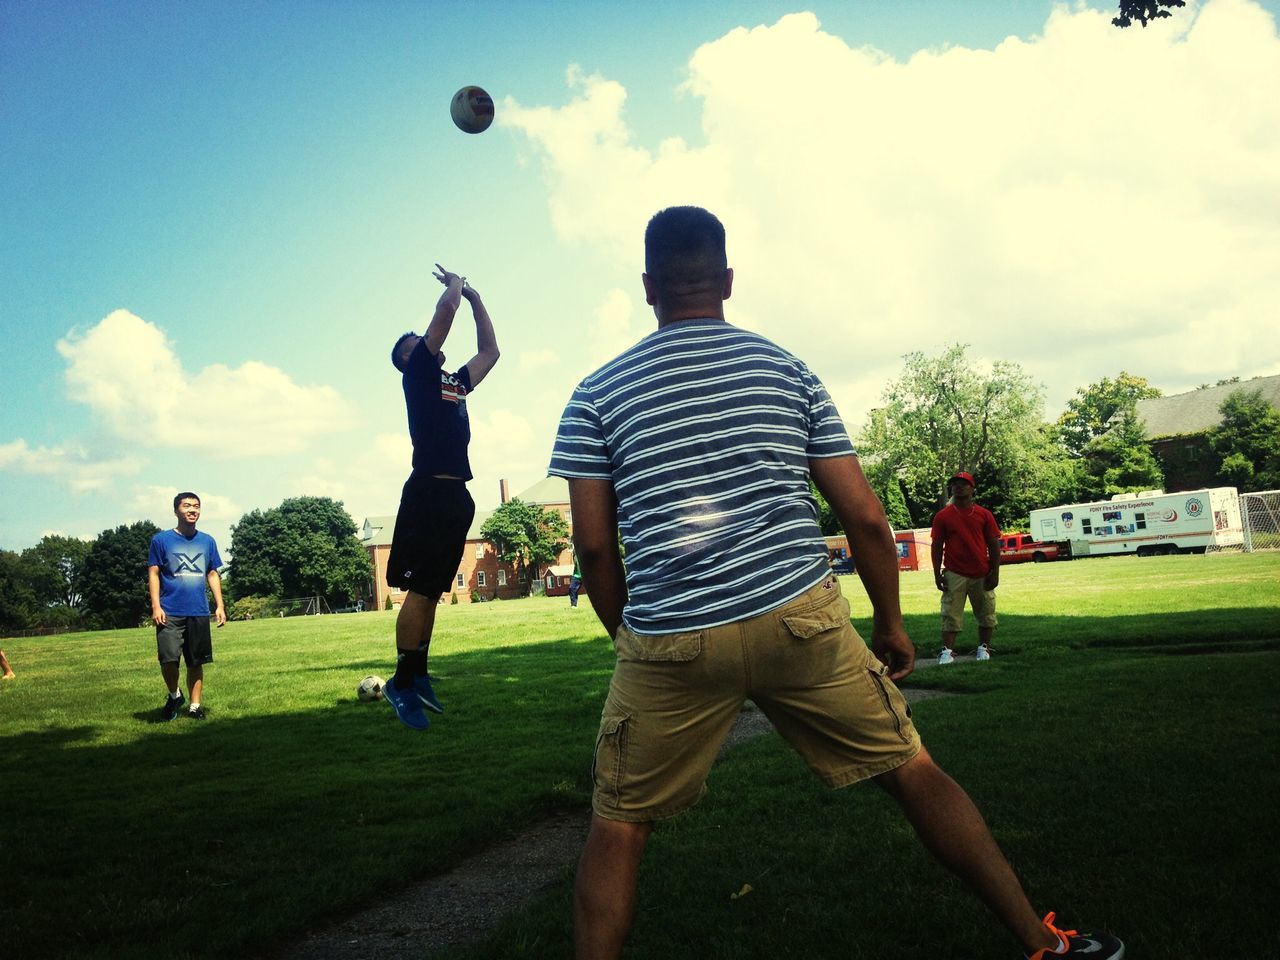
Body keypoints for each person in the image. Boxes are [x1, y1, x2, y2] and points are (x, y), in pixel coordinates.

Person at [548, 206, 1122, 960]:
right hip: (800, 621)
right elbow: (866, 518)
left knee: (618, 823)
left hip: (672, 641)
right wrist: (889, 620)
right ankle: (1044, 946)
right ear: (725, 279)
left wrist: (627, 631)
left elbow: (593, 547)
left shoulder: (596, 393)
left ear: (649, 286)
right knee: (913, 770)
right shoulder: (786, 369)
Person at [382, 264, 500, 731]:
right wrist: (457, 285)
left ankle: (420, 673)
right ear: (409, 362)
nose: (425, 346)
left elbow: (491, 351)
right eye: (416, 347)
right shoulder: (417, 378)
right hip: (428, 490)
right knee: (419, 590)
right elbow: (444, 311)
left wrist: (476, 298)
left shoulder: (453, 384)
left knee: (433, 591)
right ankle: (400, 681)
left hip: (457, 495)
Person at [148, 492, 226, 720]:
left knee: (196, 662)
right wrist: (156, 606)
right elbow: (153, 572)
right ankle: (174, 695)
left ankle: (195, 706)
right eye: (187, 506)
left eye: (196, 506)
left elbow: (212, 573)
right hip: (169, 611)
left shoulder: (207, 541)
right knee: (168, 659)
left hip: (198, 611)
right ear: (176, 511)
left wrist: (219, 605)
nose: (192, 510)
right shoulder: (161, 540)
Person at [930, 471, 1001, 664]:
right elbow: (937, 546)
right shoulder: (943, 516)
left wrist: (995, 572)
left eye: (963, 484)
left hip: (981, 572)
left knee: (986, 612)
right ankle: (947, 651)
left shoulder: (984, 515)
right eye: (955, 484)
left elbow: (994, 544)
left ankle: (984, 648)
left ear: (972, 488)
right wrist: (937, 574)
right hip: (954, 572)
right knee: (950, 613)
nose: (958, 487)